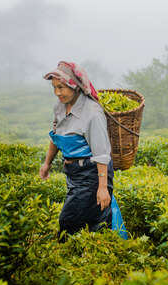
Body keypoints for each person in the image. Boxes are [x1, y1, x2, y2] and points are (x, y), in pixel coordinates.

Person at [39, 61, 127, 240]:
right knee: (92, 219)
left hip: (92, 172)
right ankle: (91, 253)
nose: (57, 93)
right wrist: (46, 163)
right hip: (74, 172)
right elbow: (56, 136)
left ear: (74, 86)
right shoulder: (59, 107)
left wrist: (102, 188)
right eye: (54, 87)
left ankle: (72, 255)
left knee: (69, 221)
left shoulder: (92, 113)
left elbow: (102, 154)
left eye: (61, 87)